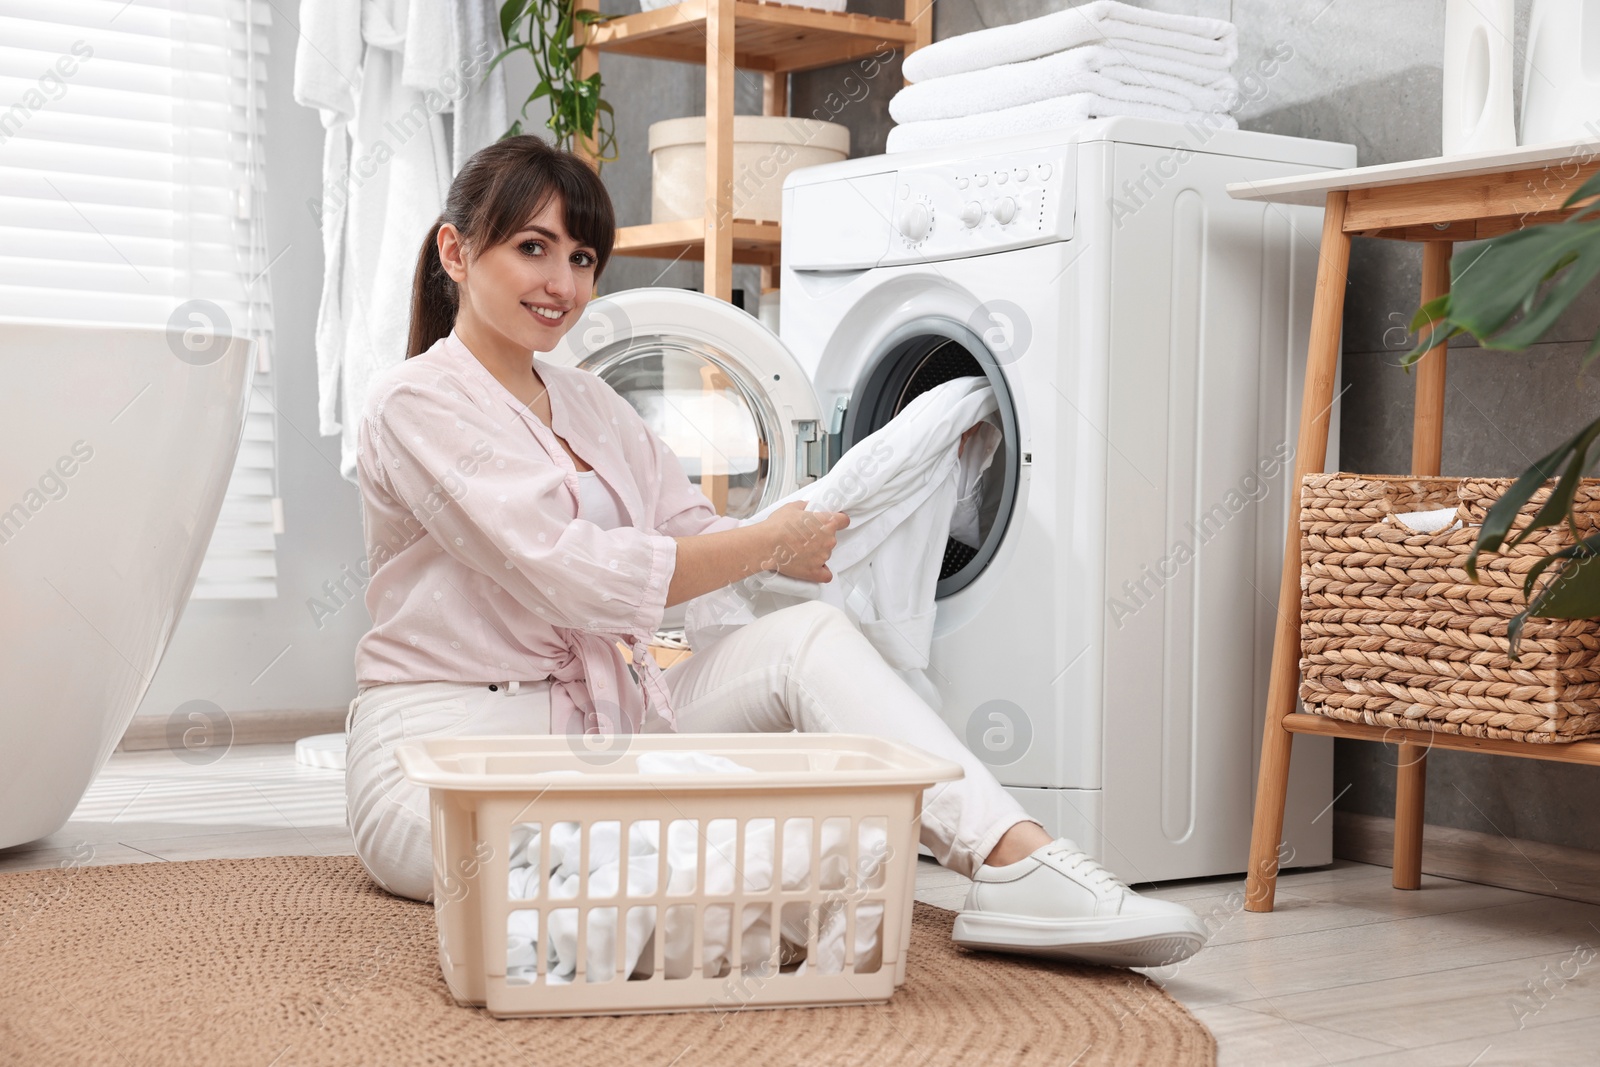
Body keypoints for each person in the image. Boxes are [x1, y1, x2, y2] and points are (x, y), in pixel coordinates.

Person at [344, 134, 1209, 969]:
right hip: (448, 750)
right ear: (456, 252)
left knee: (808, 645)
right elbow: (573, 573)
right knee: (625, 868)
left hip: (608, 728)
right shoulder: (413, 402)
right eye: (535, 248)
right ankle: (763, 883)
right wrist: (762, 544)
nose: (562, 282)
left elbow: (686, 531)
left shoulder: (590, 404)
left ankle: (1015, 861)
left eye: (581, 260)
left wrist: (806, 531)